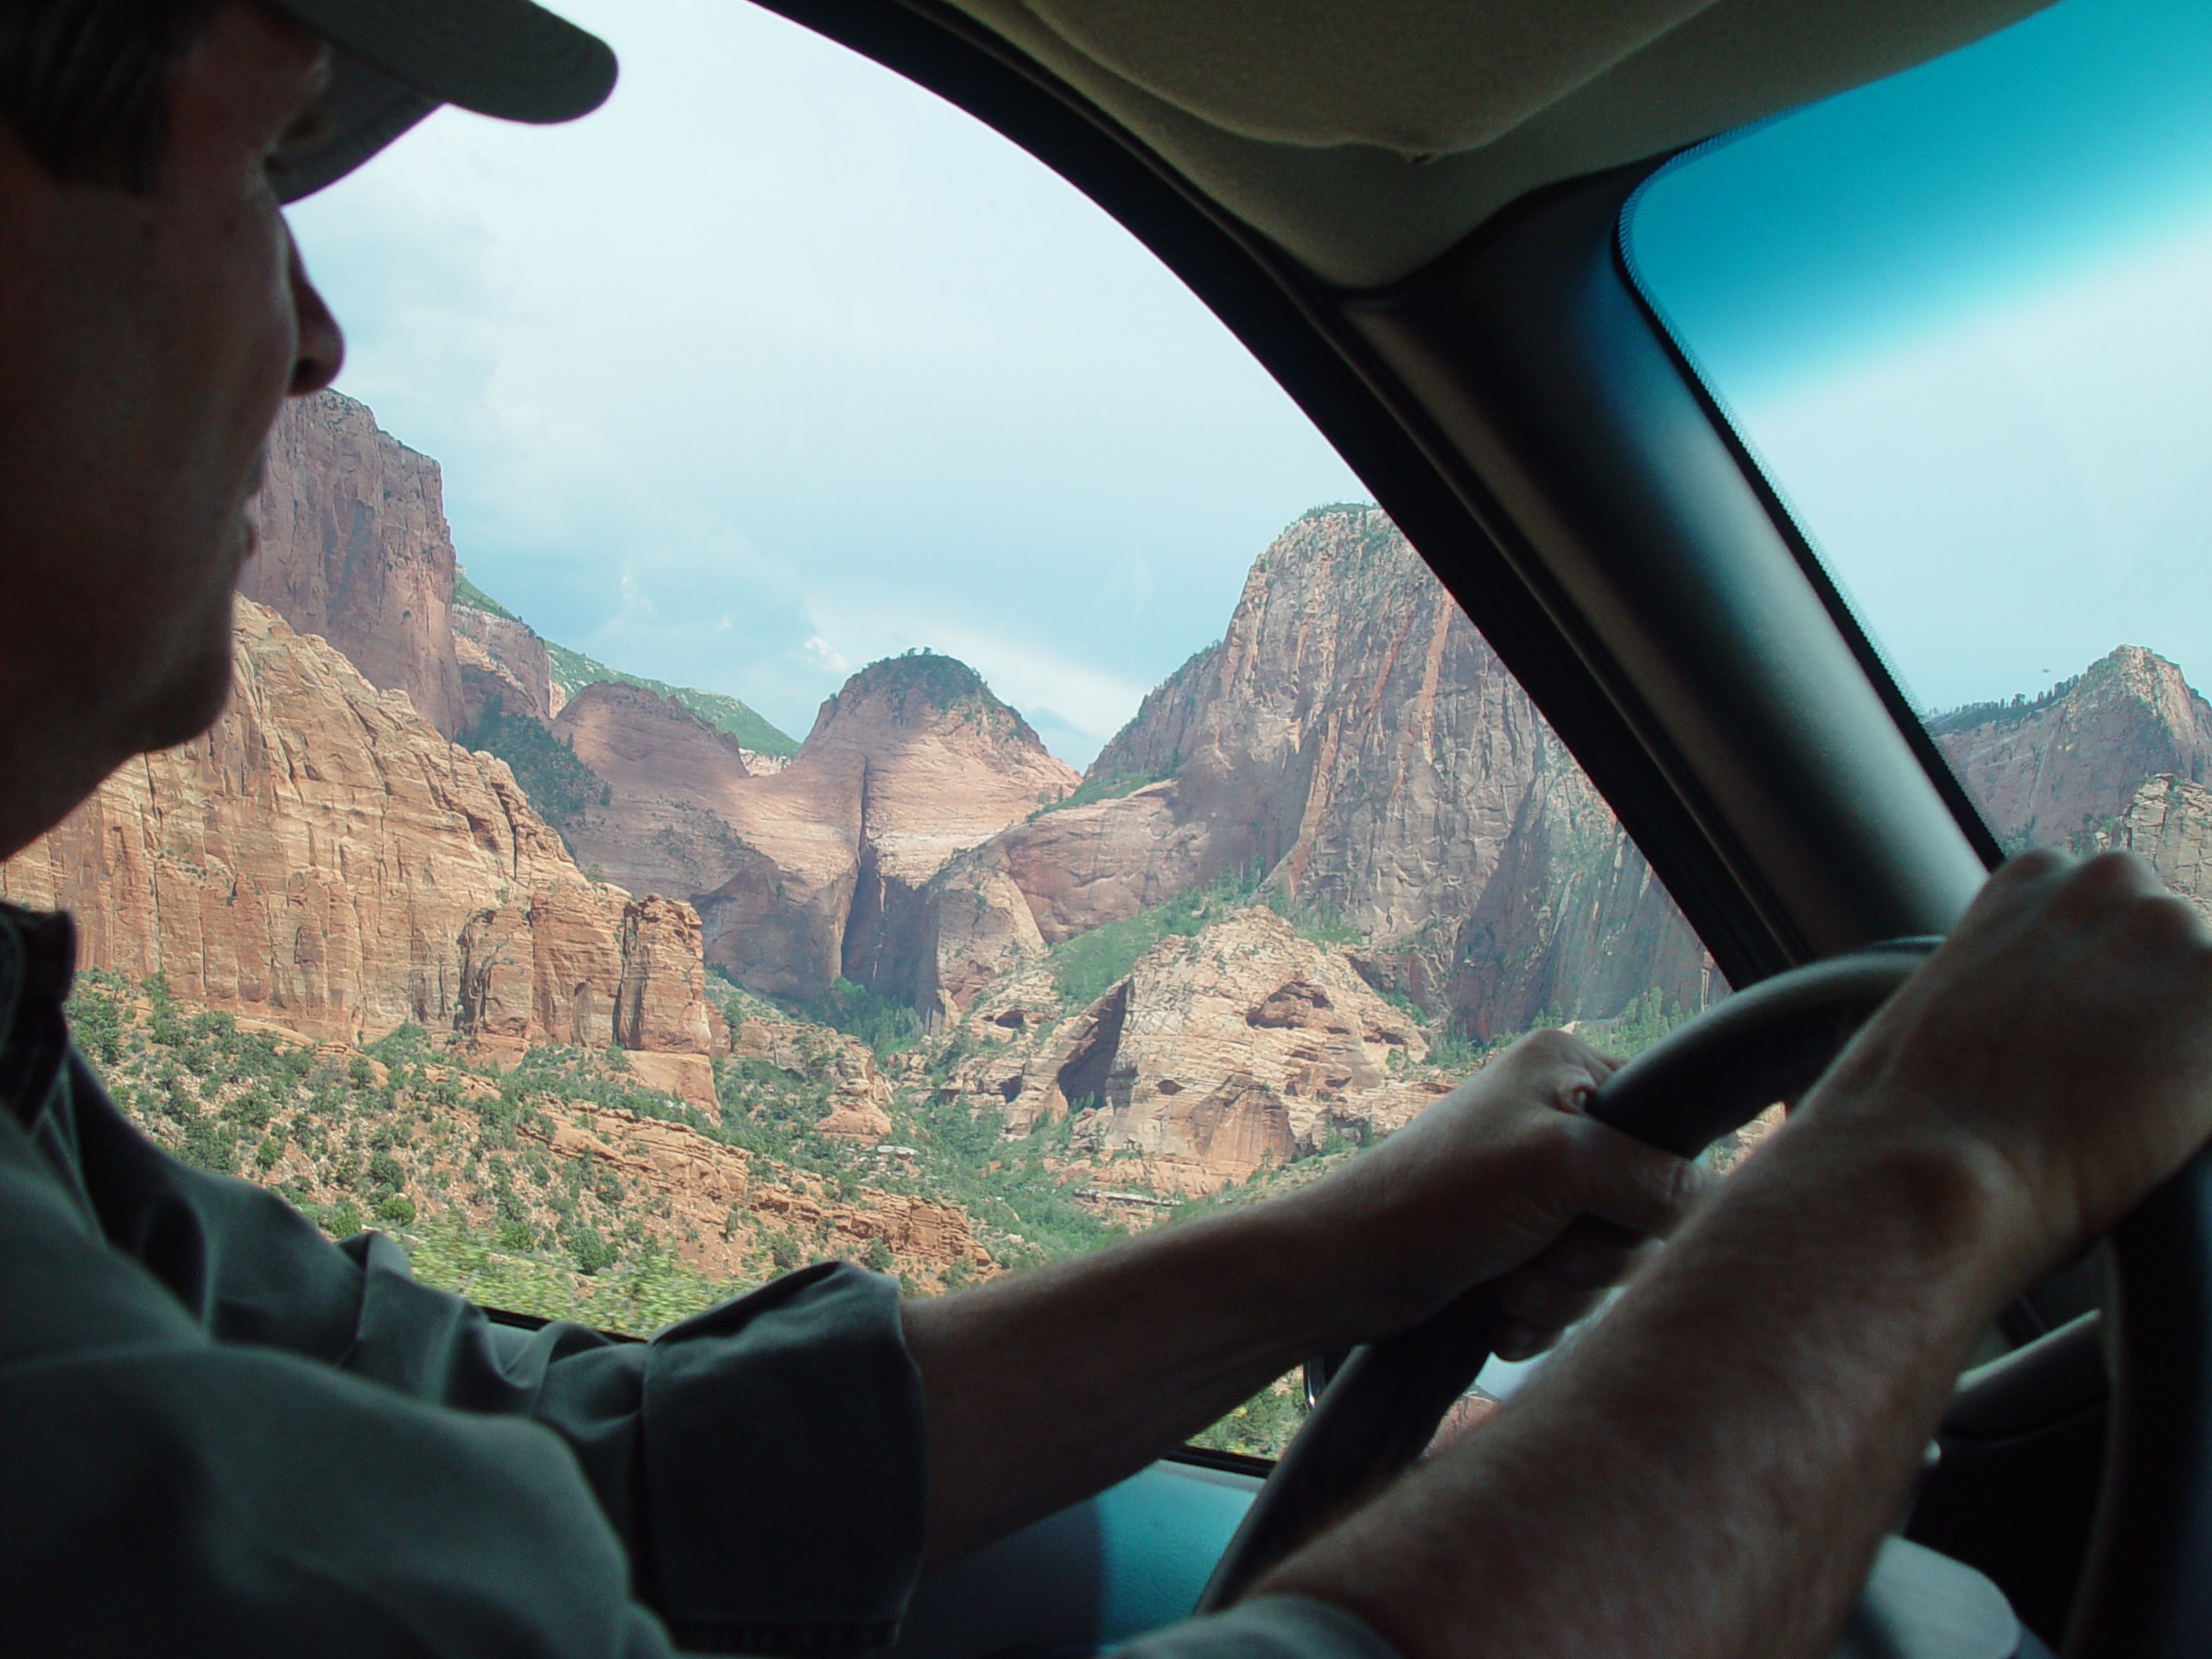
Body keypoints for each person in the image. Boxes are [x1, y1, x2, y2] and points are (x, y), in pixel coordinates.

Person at [0, 3, 2205, 1656]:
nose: (314, 328)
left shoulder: (43, 1152)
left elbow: (591, 1459)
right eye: (269, 156)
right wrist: (1937, 1175)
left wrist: (1356, 1234)